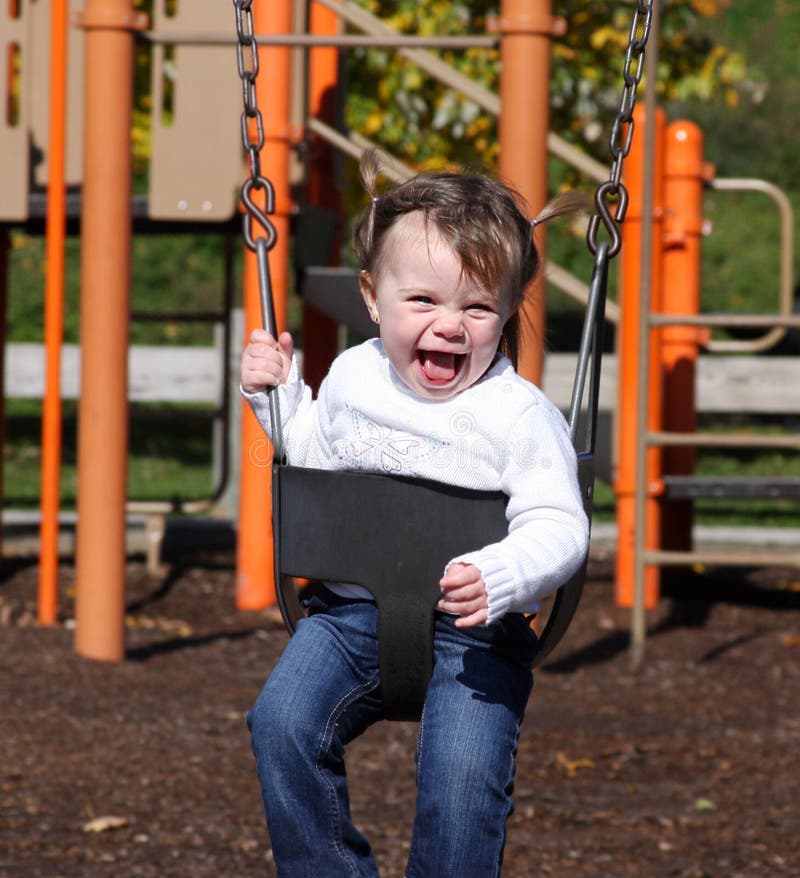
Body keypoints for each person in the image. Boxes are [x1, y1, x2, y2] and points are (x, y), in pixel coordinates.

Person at [240, 149, 590, 877]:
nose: (450, 325)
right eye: (424, 302)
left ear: (507, 310)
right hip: (349, 616)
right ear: (373, 296)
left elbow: (560, 525)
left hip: (477, 633)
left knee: (462, 784)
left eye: (477, 307)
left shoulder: (518, 415)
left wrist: (498, 573)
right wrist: (276, 397)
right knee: (281, 724)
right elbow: (314, 457)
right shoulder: (353, 375)